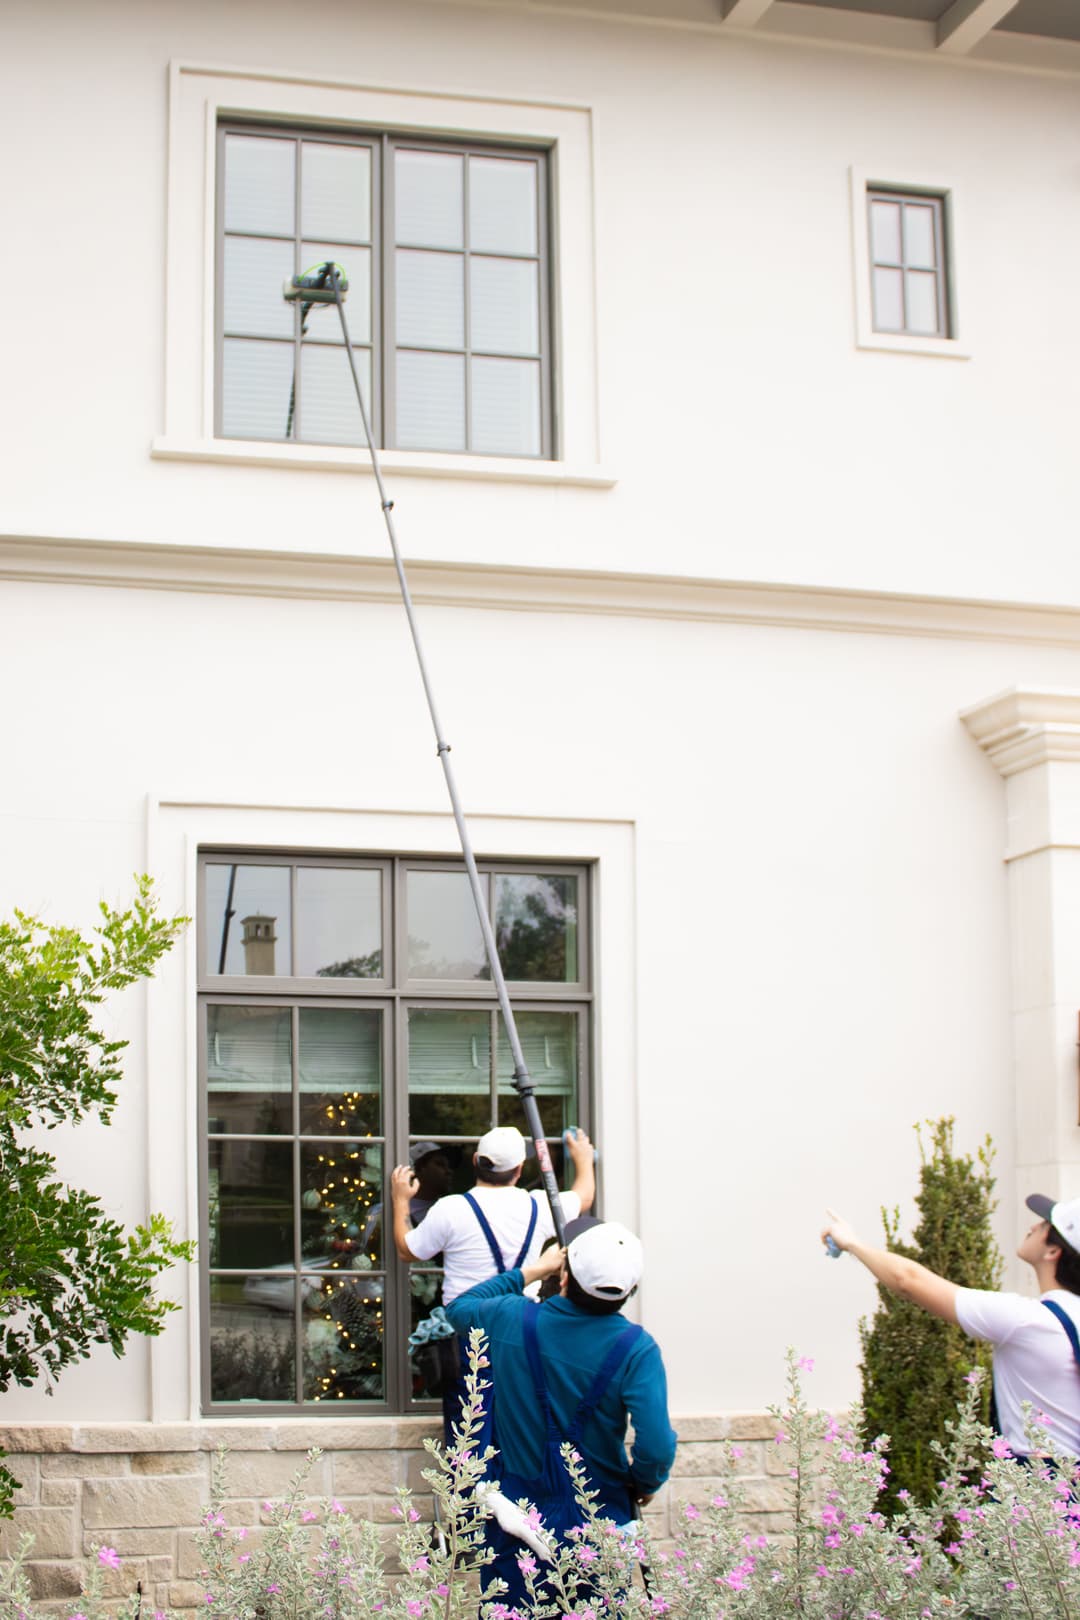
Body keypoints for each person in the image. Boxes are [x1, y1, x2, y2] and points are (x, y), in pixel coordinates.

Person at [445, 1217, 677, 1606]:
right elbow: (656, 1445)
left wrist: (535, 1268)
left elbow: (459, 1308)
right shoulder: (637, 1349)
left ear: (565, 1275)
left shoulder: (510, 1318)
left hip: (518, 1518)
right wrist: (644, 1483)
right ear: (631, 1289)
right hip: (600, 1518)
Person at [821, 1193, 1080, 1459]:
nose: (1034, 1226)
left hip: (1039, 1487)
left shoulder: (1029, 1320)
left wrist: (852, 1243)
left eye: (1045, 1225)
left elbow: (908, 1280)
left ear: (1053, 1250)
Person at [390, 1124, 596, 1304]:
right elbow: (584, 1197)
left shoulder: (451, 1209)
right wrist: (584, 1160)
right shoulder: (540, 1205)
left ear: (475, 1161)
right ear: (519, 1169)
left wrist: (400, 1201)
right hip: (518, 1322)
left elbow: (407, 1251)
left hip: (468, 1323)